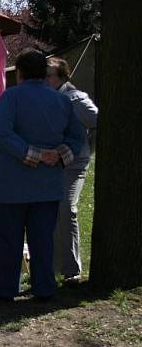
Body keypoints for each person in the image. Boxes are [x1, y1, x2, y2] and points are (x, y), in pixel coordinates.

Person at [0, 50, 85, 302]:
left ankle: (7, 288)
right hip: (47, 183)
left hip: (12, 183)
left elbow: (1, 133)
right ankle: (44, 287)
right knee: (43, 240)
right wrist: (58, 154)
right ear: (44, 73)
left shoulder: (10, 98)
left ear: (18, 73)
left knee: (10, 240)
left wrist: (33, 154)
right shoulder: (61, 101)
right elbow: (77, 137)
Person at [45, 58, 98, 285]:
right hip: (49, 163)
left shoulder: (75, 98)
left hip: (73, 165)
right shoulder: (45, 97)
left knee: (66, 207)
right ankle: (48, 267)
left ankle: (71, 270)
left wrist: (86, 146)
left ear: (61, 77)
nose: (45, 79)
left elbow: (97, 119)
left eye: (49, 75)